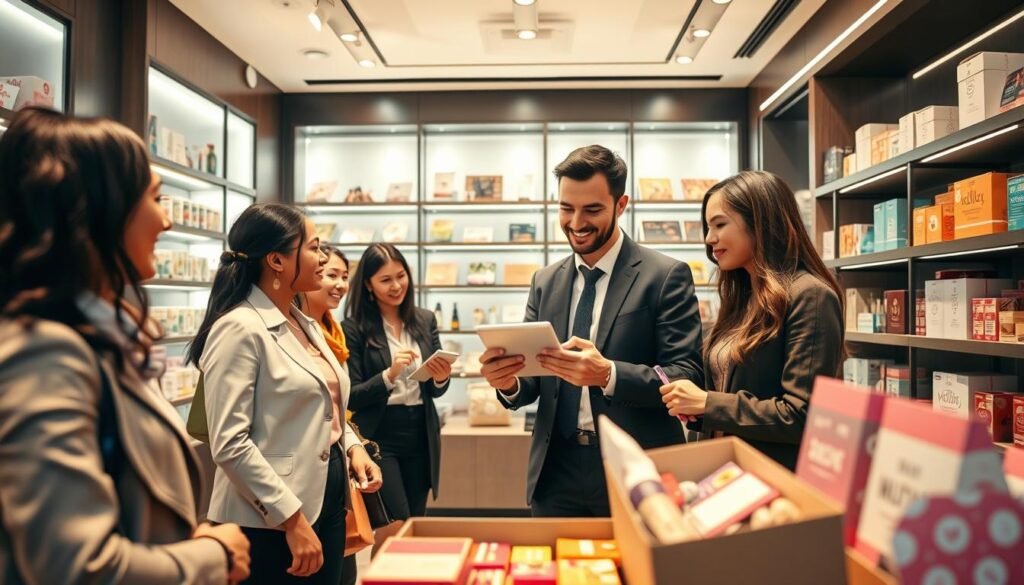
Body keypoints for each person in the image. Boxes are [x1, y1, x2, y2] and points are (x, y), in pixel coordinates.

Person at [0, 107, 250, 584]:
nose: (167, 221)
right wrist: (211, 557)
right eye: (155, 197)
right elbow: (75, 568)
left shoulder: (95, 341)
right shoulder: (47, 354)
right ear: (100, 210)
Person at [480, 145, 705, 517]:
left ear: (621, 204)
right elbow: (532, 381)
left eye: (592, 210)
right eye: (566, 208)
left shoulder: (664, 276)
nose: (576, 222)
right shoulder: (545, 281)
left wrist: (609, 374)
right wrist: (508, 381)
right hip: (555, 471)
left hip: (636, 468)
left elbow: (687, 373)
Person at [187, 203, 381, 585]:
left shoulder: (303, 323)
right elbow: (229, 443)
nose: (323, 258)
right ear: (276, 260)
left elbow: (326, 404)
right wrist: (290, 518)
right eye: (313, 247)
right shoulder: (240, 328)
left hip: (325, 502)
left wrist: (354, 446)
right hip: (268, 521)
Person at [658, 170, 845, 470]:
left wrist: (708, 403)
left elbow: (802, 415)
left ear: (760, 223)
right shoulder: (744, 299)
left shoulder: (810, 296)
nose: (709, 239)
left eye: (719, 224)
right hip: (725, 473)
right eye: (708, 227)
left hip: (772, 480)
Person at [342, 243, 452, 545]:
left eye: (400, 276)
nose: (396, 286)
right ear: (368, 284)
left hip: (421, 432)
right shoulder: (354, 329)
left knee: (414, 523)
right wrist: (388, 376)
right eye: (385, 280)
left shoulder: (424, 319)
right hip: (379, 437)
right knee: (394, 526)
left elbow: (434, 389)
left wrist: (441, 378)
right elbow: (350, 395)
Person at [295, 244, 359, 585]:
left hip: (334, 475)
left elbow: (334, 409)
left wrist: (352, 445)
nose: (338, 284)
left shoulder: (330, 331)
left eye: (344, 277)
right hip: (295, 485)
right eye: (328, 273)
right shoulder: (272, 328)